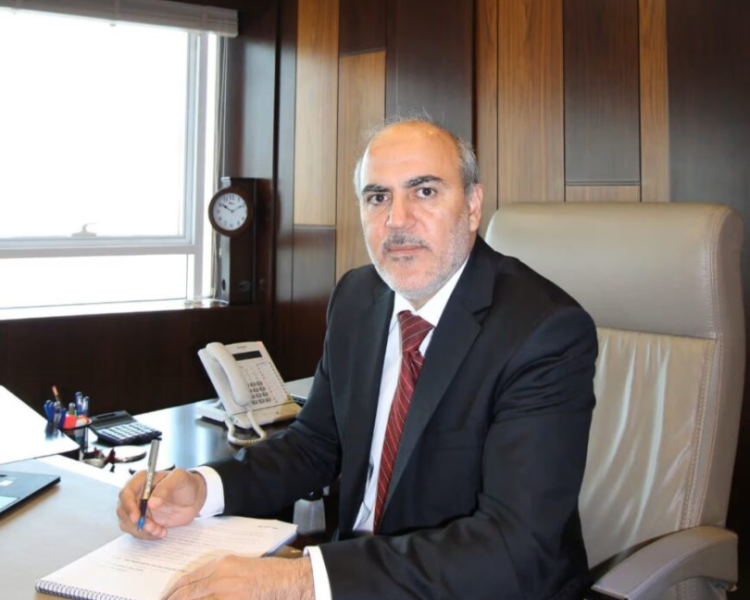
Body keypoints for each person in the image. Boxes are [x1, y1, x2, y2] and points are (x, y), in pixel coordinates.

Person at [118, 117, 598, 600]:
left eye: (425, 192)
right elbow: (315, 445)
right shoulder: (357, 297)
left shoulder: (541, 331)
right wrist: (204, 488)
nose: (397, 220)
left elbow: (515, 549)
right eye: (378, 197)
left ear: (472, 206)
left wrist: (302, 581)